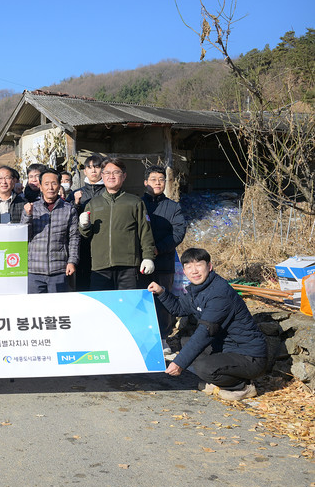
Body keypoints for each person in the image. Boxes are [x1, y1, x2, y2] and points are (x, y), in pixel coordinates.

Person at [148, 248, 267, 401]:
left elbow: (205, 333)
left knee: (204, 368)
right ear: (184, 271)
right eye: (189, 266)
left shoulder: (219, 293)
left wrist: (179, 363)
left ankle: (241, 386)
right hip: (227, 347)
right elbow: (179, 308)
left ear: (209, 266)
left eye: (199, 265)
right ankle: (222, 378)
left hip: (250, 356)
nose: (194, 271)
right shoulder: (198, 289)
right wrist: (161, 292)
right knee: (186, 344)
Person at [78, 158, 156, 290]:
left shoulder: (134, 202)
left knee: (128, 302)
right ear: (102, 176)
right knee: (102, 302)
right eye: (107, 173)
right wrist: (84, 226)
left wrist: (148, 257)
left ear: (124, 176)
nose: (111, 176)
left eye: (116, 172)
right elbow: (86, 235)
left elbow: (145, 232)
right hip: (100, 267)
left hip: (128, 266)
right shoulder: (93, 203)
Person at [138, 165, 186, 350]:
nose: (158, 183)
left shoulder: (173, 207)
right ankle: (142, 337)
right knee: (141, 298)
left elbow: (178, 233)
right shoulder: (137, 204)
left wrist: (159, 249)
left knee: (163, 299)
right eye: (153, 179)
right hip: (139, 262)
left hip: (164, 261)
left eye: (161, 179)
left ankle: (163, 338)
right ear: (145, 182)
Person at [21, 168, 79, 293]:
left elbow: (74, 238)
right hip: (34, 270)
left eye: (54, 183)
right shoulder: (31, 208)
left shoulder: (69, 209)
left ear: (59, 185)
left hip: (59, 270)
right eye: (46, 184)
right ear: (41, 187)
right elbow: (24, 236)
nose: (50, 188)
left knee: (59, 304)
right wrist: (28, 216)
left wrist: (72, 261)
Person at [73, 154, 105, 291]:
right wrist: (76, 204)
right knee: (83, 283)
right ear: (85, 171)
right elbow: (70, 219)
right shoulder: (76, 193)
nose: (93, 171)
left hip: (103, 242)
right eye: (90, 167)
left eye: (97, 167)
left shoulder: (108, 191)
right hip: (82, 244)